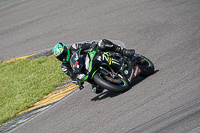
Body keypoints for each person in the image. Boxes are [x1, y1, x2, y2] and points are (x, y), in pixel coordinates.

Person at [52, 39, 135, 94]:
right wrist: (78, 82)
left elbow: (85, 45)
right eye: (59, 57)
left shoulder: (74, 47)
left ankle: (124, 51)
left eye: (63, 54)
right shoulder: (64, 67)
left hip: (92, 58)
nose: (62, 57)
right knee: (96, 90)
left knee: (102, 42)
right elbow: (73, 76)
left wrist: (92, 45)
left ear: (66, 49)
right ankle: (110, 78)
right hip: (87, 73)